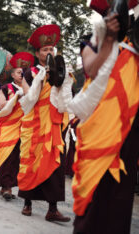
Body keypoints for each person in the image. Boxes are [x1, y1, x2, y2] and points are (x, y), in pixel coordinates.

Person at [59, 1, 139, 233]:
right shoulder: (91, 40)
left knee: (120, 197)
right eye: (110, 13)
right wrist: (109, 40)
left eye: (120, 13)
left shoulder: (134, 41)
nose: (115, 17)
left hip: (128, 126)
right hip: (98, 123)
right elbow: (92, 69)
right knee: (96, 192)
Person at [17, 24, 71, 222]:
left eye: (51, 49)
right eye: (45, 49)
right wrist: (41, 78)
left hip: (54, 124)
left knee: (55, 165)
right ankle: (27, 203)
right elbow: (29, 99)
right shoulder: (30, 73)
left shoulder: (60, 69)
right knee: (32, 162)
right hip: (35, 125)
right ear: (37, 53)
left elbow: (65, 96)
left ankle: (52, 209)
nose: (49, 52)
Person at [0, 52, 32, 201]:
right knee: (6, 156)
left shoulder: (30, 88)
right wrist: (17, 96)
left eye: (23, 71)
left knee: (17, 157)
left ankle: (9, 185)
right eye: (18, 71)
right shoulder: (6, 87)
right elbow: (2, 105)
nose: (22, 74)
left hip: (23, 126)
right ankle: (6, 186)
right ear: (12, 75)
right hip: (8, 126)